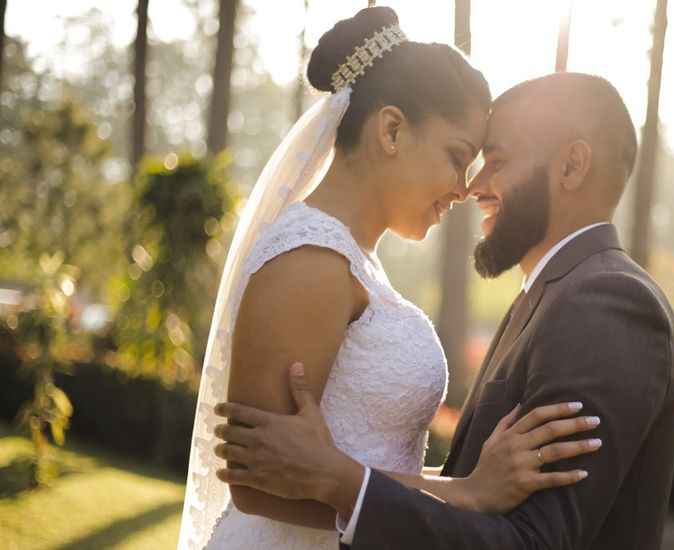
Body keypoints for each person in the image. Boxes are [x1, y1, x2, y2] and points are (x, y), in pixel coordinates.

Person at [178, 7, 600, 550]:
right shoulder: (308, 260)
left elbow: (340, 466)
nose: (463, 189)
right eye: (457, 157)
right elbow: (257, 483)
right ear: (393, 130)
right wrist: (466, 493)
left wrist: (453, 490)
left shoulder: (355, 260)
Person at [214, 72, 674, 549]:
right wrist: (459, 488)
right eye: (465, 160)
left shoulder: (606, 305)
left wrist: (337, 478)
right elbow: (479, 492)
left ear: (571, 167)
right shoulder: (554, 295)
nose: (473, 187)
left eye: (496, 161)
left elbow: (533, 540)